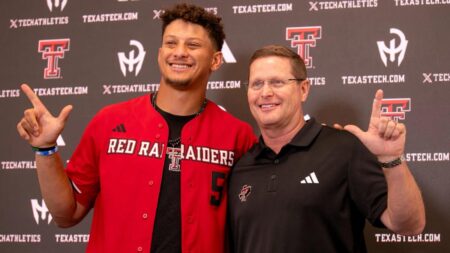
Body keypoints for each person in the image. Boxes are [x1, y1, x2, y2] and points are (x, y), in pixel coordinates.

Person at [16, 4, 256, 253]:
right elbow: (66, 214)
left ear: (216, 60)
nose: (180, 53)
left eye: (193, 45)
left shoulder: (238, 136)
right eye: (171, 43)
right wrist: (45, 149)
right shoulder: (109, 122)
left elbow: (254, 223)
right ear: (160, 52)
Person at [228, 45, 425, 253]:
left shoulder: (344, 149)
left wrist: (391, 158)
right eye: (256, 84)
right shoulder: (242, 167)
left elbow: (409, 225)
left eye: (277, 82)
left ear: (303, 89)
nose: (265, 92)